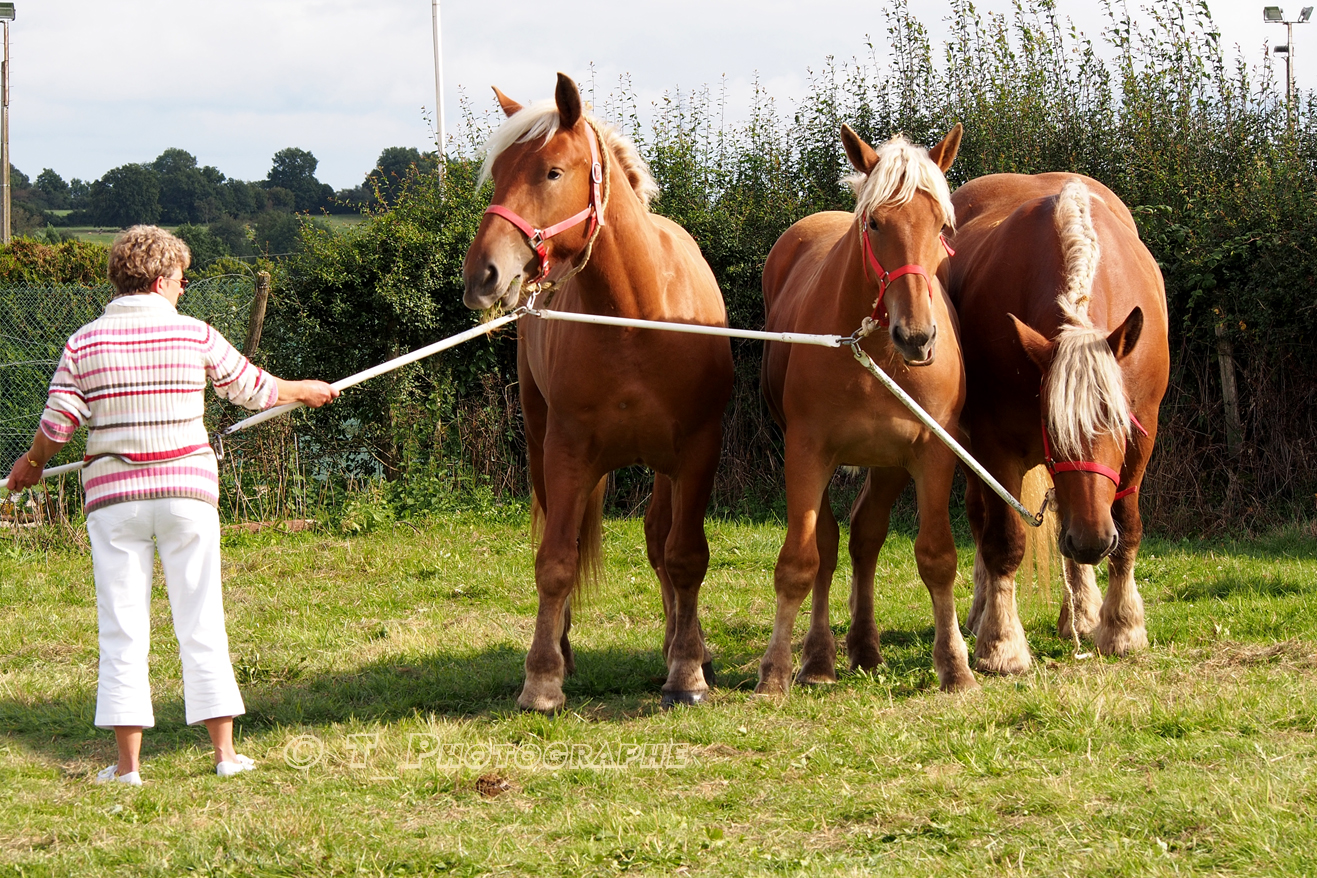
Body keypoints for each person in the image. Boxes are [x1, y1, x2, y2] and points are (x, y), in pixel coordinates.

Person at [4, 225, 338, 784]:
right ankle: (225, 757)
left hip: (115, 503)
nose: (184, 287)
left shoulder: (83, 343)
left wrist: (32, 463)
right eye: (181, 278)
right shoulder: (195, 334)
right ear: (160, 279)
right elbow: (252, 388)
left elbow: (59, 424)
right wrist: (305, 389)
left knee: (122, 627)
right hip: (187, 495)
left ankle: (127, 767)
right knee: (201, 618)